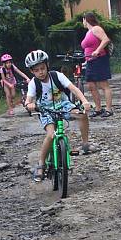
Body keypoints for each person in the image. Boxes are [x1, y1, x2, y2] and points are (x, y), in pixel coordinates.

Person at [24, 49, 92, 182]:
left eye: (42, 68)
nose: (40, 72)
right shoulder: (34, 83)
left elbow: (74, 88)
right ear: (32, 71)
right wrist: (29, 105)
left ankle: (85, 144)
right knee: (51, 135)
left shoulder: (57, 76)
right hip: (45, 110)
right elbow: (28, 100)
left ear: (47, 65)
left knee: (82, 114)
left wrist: (84, 101)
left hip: (63, 105)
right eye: (36, 70)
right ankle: (41, 164)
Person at [81, 12, 113, 118]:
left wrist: (97, 50)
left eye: (83, 20)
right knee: (91, 85)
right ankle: (98, 108)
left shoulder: (96, 29)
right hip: (90, 61)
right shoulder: (88, 32)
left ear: (86, 19)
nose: (83, 22)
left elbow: (105, 39)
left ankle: (108, 109)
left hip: (99, 59)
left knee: (103, 85)